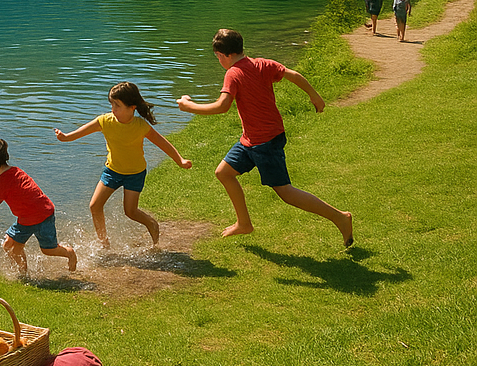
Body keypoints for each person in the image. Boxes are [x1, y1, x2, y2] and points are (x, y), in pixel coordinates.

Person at [176, 29, 353, 247]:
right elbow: (293, 74)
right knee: (223, 172)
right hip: (251, 139)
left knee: (286, 192)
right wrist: (315, 96)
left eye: (217, 57)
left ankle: (340, 217)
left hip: (265, 141)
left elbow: (222, 106)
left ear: (224, 55)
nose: (218, 61)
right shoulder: (262, 63)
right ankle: (244, 223)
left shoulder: (233, 73)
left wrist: (188, 106)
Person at [55, 82, 191, 248]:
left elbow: (163, 144)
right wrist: (65, 137)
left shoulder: (140, 126)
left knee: (131, 212)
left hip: (135, 173)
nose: (113, 109)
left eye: (117, 105)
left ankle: (152, 224)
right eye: (112, 104)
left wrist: (180, 160)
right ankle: (104, 243)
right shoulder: (105, 121)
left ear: (132, 107)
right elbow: (79, 133)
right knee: (95, 206)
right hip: (112, 171)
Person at [0, 137, 77, 274]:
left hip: (43, 216)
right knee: (9, 246)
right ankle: (22, 274)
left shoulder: (4, 181)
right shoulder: (14, 171)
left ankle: (69, 253)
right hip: (26, 219)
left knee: (48, 250)